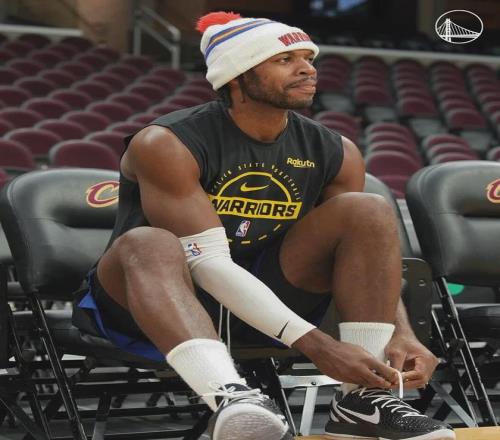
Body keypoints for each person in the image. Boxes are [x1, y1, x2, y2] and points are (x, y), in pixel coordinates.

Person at [73, 11, 455, 440]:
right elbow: (207, 262)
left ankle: (362, 401)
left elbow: (363, 258)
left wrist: (399, 332)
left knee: (367, 209)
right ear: (237, 75)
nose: (307, 68)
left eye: (308, 58)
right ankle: (231, 398)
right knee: (148, 242)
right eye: (285, 59)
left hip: (269, 300)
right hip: (157, 301)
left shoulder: (336, 150)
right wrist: (317, 344)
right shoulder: (167, 142)